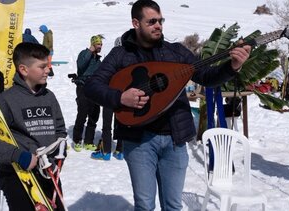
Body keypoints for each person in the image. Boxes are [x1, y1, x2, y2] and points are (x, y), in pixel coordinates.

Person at [84, 0, 251, 210]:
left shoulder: (176, 53)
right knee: (144, 205)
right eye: (152, 21)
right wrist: (120, 98)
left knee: (172, 205)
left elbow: (206, 76)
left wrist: (232, 66)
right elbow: (92, 86)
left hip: (174, 139)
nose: (158, 25)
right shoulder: (120, 55)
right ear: (136, 23)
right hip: (139, 141)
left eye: (160, 20)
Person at [0, 42, 67, 211]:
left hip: (48, 172)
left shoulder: (49, 97)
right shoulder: (5, 101)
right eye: (42, 66)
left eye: (47, 65)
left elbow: (60, 129)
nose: (48, 69)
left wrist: (60, 150)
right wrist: (19, 156)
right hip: (18, 174)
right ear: (24, 70)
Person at [91, 37, 123, 161]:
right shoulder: (128, 58)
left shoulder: (111, 58)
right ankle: (120, 150)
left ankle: (106, 151)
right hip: (122, 95)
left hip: (110, 94)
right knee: (121, 123)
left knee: (107, 124)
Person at [72, 35, 103, 152]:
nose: (100, 47)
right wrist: (90, 51)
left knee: (94, 115)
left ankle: (89, 141)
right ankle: (77, 140)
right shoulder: (84, 54)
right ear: (93, 44)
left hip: (95, 89)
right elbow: (81, 65)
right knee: (82, 114)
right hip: (83, 87)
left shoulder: (98, 60)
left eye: (101, 45)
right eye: (98, 44)